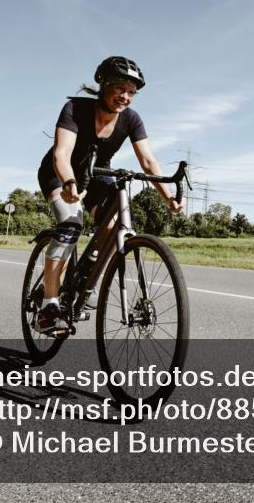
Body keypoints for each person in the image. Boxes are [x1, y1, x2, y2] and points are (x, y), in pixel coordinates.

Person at [35, 56, 183, 334]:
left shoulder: (131, 119)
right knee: (70, 224)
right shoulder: (75, 108)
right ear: (103, 84)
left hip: (97, 173)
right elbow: (61, 153)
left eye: (131, 92)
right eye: (119, 88)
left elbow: (148, 162)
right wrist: (68, 182)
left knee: (117, 223)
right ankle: (48, 306)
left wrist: (168, 197)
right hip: (60, 173)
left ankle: (88, 275)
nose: (125, 96)